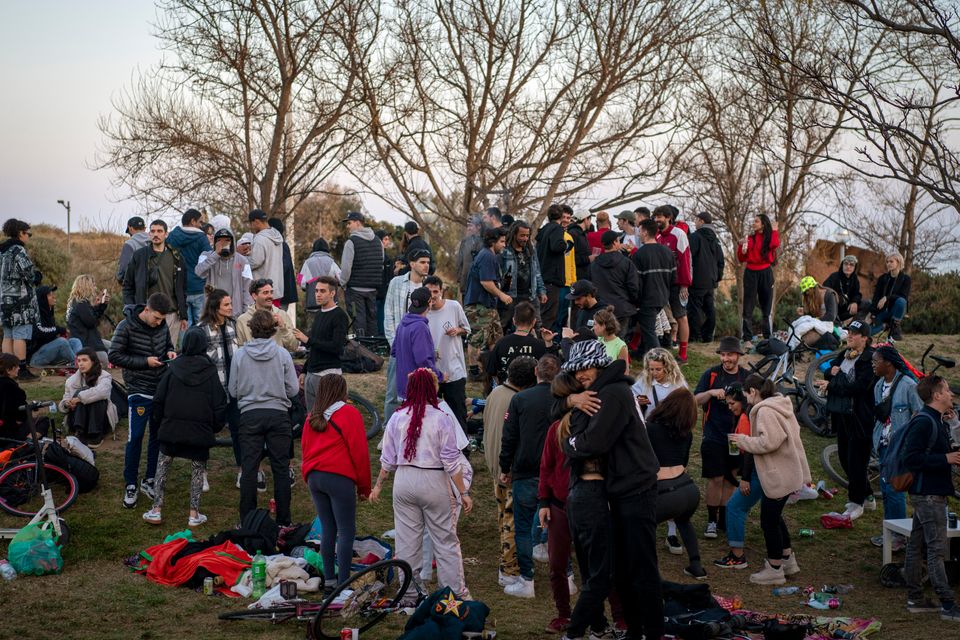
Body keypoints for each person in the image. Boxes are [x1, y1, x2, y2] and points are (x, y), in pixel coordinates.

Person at [560, 339, 663, 640]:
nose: (580, 375)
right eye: (576, 371)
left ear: (599, 364)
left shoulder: (614, 393)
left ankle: (652, 632)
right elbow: (556, 404)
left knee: (642, 567)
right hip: (619, 490)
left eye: (585, 368)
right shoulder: (603, 391)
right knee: (623, 570)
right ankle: (634, 629)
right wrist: (570, 402)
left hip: (636, 489)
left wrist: (568, 444)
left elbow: (594, 441)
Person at [371, 368, 473, 599]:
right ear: (432, 389)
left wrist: (378, 486)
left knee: (406, 541)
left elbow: (387, 459)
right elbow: (451, 461)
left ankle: (408, 593)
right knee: (445, 540)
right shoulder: (441, 418)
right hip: (433, 480)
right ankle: (453, 594)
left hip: (404, 481)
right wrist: (463, 491)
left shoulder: (397, 417)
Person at [538, 370, 625, 635]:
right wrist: (543, 502)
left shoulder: (593, 426)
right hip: (560, 504)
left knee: (600, 568)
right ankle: (566, 614)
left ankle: (616, 617)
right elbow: (546, 466)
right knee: (559, 564)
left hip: (592, 500)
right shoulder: (555, 429)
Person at [729, 375, 811, 585]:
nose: (746, 399)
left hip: (779, 474)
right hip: (788, 471)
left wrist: (744, 441)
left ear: (753, 392)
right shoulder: (779, 404)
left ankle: (774, 569)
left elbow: (769, 442)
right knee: (775, 518)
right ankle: (787, 560)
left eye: (746, 395)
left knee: (769, 522)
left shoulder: (765, 410)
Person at [142, 327, 227, 528]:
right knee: (198, 471)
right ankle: (193, 514)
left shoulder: (172, 369)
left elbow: (158, 400)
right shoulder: (210, 371)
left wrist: (161, 421)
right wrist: (213, 428)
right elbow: (220, 404)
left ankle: (156, 510)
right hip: (199, 433)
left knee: (162, 468)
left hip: (171, 429)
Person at [229, 309, 299, 526]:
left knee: (249, 468)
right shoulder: (282, 354)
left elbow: (233, 390)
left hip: (250, 414)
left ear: (251, 329)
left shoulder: (240, 355)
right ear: (273, 329)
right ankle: (283, 520)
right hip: (278, 414)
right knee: (280, 468)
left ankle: (248, 519)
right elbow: (294, 389)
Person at [301, 373, 372, 587]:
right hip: (338, 478)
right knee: (346, 530)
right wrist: (364, 487)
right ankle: (343, 584)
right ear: (343, 391)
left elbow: (304, 449)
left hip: (315, 477)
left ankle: (330, 580)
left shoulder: (312, 416)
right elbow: (359, 453)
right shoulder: (349, 413)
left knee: (328, 529)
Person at [499, 354, 560, 598]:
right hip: (556, 470)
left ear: (536, 372)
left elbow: (509, 436)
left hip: (526, 469)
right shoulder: (565, 400)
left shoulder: (521, 399)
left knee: (522, 527)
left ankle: (527, 580)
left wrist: (505, 467)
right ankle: (566, 576)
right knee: (559, 525)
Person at [109, 292, 177, 510]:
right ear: (146, 310)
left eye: (162, 319)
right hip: (138, 388)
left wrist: (170, 352)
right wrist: (144, 362)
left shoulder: (162, 325)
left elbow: (169, 345)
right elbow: (114, 356)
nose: (159, 322)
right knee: (136, 436)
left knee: (157, 436)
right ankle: (130, 483)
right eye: (156, 317)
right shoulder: (125, 326)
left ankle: (149, 479)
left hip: (160, 390)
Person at [901, 375, 960, 621]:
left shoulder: (936, 420)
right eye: (947, 390)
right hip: (929, 495)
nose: (951, 394)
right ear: (936, 395)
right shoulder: (924, 422)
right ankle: (948, 604)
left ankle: (915, 597)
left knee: (916, 545)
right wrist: (944, 459)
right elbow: (910, 458)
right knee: (936, 550)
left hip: (928, 493)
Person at [484, 356, 537, 589]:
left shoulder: (495, 393)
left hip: (497, 467)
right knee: (512, 523)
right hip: (511, 471)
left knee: (503, 519)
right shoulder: (519, 400)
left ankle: (508, 563)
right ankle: (509, 570)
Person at [818, 319, 876, 520]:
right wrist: (830, 373)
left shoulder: (869, 358)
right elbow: (830, 370)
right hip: (842, 414)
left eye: (855, 333)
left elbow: (860, 387)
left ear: (865, 338)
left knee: (857, 460)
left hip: (860, 416)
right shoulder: (845, 354)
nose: (849, 335)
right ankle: (867, 495)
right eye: (849, 332)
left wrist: (832, 384)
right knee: (844, 456)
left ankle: (856, 503)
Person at [647, 388, 707, 579]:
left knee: (643, 526)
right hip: (689, 490)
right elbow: (685, 461)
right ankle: (696, 565)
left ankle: (649, 570)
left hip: (665, 491)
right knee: (683, 521)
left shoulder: (651, 429)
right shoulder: (686, 434)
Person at [694, 336, 749, 539]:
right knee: (715, 478)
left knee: (730, 479)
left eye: (730, 355)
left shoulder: (746, 376)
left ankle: (724, 520)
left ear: (738, 356)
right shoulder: (711, 374)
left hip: (737, 437)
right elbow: (695, 400)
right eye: (723, 354)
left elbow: (755, 401)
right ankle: (711, 521)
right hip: (713, 435)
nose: (726, 358)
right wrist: (710, 392)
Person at [868, 345, 923, 550]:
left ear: (888, 363)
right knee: (885, 488)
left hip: (901, 447)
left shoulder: (908, 385)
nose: (873, 364)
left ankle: (898, 537)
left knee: (894, 490)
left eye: (876, 361)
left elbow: (919, 414)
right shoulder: (878, 385)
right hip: (883, 445)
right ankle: (890, 532)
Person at [197, 288, 240, 490]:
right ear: (215, 307)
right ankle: (202, 473)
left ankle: (242, 471)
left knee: (239, 431)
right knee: (205, 433)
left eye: (231, 304)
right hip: (212, 391)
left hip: (235, 389)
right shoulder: (201, 329)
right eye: (226, 304)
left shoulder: (234, 325)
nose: (231, 307)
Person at [122, 219, 188, 348]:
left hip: (171, 313)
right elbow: (127, 285)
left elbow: (183, 287)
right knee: (146, 352)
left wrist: (183, 314)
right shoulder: (140, 256)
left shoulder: (177, 256)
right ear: (149, 234)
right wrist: (132, 309)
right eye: (152, 231)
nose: (156, 234)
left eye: (159, 231)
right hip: (147, 313)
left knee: (169, 352)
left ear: (166, 234)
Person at [384, 249, 432, 421]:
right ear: (412, 264)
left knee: (419, 391)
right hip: (399, 347)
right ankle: (389, 431)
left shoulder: (429, 287)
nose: (426, 265)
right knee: (393, 393)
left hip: (420, 346)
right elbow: (388, 313)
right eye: (422, 262)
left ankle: (414, 427)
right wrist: (394, 342)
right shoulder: (397, 283)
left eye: (428, 262)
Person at [713, 384, 758, 569]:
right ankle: (785, 556)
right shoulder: (743, 416)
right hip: (759, 472)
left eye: (732, 403)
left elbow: (749, 450)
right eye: (728, 403)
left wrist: (745, 477)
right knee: (772, 517)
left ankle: (737, 556)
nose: (729, 407)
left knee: (734, 507)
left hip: (756, 473)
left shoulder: (746, 417)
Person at [424, 275, 471, 430]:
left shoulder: (454, 306)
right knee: (432, 414)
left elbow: (467, 329)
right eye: (428, 291)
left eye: (435, 291)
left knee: (458, 412)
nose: (432, 295)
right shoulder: (422, 313)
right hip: (432, 372)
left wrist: (457, 330)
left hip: (454, 370)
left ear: (441, 291)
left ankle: (463, 449)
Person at [299, 276, 350, 412]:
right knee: (312, 419)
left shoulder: (339, 316)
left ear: (332, 293)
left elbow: (336, 347)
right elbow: (315, 348)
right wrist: (304, 371)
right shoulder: (319, 314)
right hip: (312, 374)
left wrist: (308, 341)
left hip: (328, 375)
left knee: (329, 419)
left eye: (322, 291)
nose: (318, 294)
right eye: (316, 291)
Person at [464, 228, 510, 376]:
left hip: (489, 306)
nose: (504, 245)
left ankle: (494, 370)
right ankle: (474, 372)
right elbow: (486, 282)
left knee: (496, 340)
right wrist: (502, 296)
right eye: (502, 241)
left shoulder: (490, 256)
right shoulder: (487, 256)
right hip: (479, 306)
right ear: (492, 242)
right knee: (476, 340)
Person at [1, 218, 40, 379]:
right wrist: (38, 276)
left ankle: (6, 370)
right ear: (20, 233)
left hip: (3, 299)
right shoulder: (18, 250)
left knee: (8, 335)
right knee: (20, 335)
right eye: (28, 233)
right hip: (20, 300)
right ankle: (21, 369)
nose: (29, 237)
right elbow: (29, 274)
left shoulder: (2, 251)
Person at [653, 205, 692, 363]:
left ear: (668, 218)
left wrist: (685, 284)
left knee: (681, 316)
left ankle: (683, 353)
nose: (657, 220)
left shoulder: (679, 234)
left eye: (660, 217)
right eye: (655, 217)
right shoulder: (657, 236)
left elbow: (685, 259)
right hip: (661, 282)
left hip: (676, 283)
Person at [631, 218, 675, 357]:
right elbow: (673, 277)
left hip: (647, 298)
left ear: (644, 231)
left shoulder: (639, 254)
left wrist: (636, 301)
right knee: (647, 326)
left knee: (649, 330)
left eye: (639, 231)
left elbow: (637, 282)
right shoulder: (667, 252)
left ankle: (660, 360)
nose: (638, 234)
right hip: (663, 296)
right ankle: (641, 352)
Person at [59, 347, 117, 447]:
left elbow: (103, 392)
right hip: (77, 418)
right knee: (82, 392)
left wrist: (80, 398)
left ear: (93, 362)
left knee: (91, 395)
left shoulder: (105, 376)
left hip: (99, 417)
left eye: (85, 360)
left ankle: (95, 435)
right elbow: (65, 400)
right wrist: (67, 404)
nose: (81, 364)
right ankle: (80, 432)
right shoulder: (71, 381)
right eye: (79, 361)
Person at [486, 301, 554, 385]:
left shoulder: (501, 343)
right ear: (534, 322)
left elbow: (491, 372)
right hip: (530, 392)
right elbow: (552, 369)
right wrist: (548, 342)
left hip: (507, 390)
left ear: (514, 321)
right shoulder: (540, 345)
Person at [737, 214, 779, 347]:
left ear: (763, 224)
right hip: (750, 273)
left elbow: (775, 244)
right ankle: (747, 339)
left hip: (766, 273)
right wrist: (741, 246)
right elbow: (741, 258)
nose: (753, 223)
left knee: (766, 306)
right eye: (753, 221)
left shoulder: (769, 237)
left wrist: (774, 230)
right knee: (748, 306)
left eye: (756, 221)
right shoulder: (749, 238)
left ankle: (767, 337)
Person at [339, 212, 384, 338]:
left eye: (349, 223)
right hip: (373, 288)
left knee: (359, 320)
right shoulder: (378, 242)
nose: (348, 226)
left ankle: (362, 349)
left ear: (358, 222)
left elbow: (346, 268)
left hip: (355, 288)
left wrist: (342, 284)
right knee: (372, 320)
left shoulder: (351, 242)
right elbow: (380, 263)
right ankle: (373, 349)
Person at [392, 287, 439, 401]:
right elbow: (423, 360)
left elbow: (394, 351)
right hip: (418, 389)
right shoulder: (420, 327)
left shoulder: (403, 323)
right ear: (429, 302)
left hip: (403, 387)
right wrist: (439, 376)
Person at [588, 230, 639, 334]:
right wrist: (634, 302)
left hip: (601, 308)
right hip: (622, 307)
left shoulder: (594, 264)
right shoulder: (626, 262)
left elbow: (590, 286)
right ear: (616, 242)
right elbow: (633, 286)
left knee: (602, 341)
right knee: (619, 341)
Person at [166, 209, 211, 325]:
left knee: (184, 326)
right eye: (200, 222)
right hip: (198, 286)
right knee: (202, 325)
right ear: (193, 221)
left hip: (179, 288)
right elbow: (208, 261)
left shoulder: (172, 236)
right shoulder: (202, 238)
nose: (201, 225)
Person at [499, 220, 547, 330]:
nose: (525, 238)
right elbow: (502, 274)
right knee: (505, 325)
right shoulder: (505, 251)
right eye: (522, 235)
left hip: (530, 294)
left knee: (537, 325)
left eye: (527, 235)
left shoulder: (531, 249)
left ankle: (542, 346)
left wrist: (541, 291)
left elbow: (537, 272)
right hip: (511, 295)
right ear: (514, 234)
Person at [195, 228, 253, 319]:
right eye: (219, 240)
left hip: (235, 311)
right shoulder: (206, 255)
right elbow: (199, 272)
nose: (223, 243)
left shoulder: (242, 260)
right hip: (213, 311)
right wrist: (215, 254)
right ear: (214, 242)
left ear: (232, 242)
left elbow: (248, 287)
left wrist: (246, 312)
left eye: (227, 240)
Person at [688, 212, 724, 343]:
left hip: (697, 279)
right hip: (711, 281)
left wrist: (688, 276)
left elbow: (689, 257)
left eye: (696, 220)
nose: (695, 223)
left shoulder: (695, 237)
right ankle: (708, 336)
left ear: (702, 221)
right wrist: (717, 277)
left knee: (694, 309)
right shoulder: (716, 240)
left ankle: (695, 336)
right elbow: (721, 261)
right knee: (709, 309)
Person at [235, 279, 298, 351]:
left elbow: (294, 347)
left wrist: (283, 328)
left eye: (271, 292)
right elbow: (241, 349)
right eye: (265, 293)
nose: (270, 296)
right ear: (254, 296)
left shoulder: (282, 315)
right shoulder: (242, 320)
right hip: (253, 361)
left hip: (277, 361)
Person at [0, 352, 51, 440]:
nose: (19, 368)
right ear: (8, 370)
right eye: (16, 366)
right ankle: (28, 443)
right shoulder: (11, 386)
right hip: (8, 432)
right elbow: (21, 414)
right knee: (43, 421)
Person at [28, 285, 82, 367]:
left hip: (49, 354)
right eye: (49, 295)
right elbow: (39, 332)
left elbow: (50, 333)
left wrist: (57, 333)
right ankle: (78, 365)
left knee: (75, 341)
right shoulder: (36, 315)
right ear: (42, 298)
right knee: (61, 342)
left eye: (52, 293)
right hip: (36, 358)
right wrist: (59, 330)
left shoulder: (49, 314)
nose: (53, 296)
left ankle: (75, 362)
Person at [66, 274, 111, 366]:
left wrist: (99, 306)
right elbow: (92, 322)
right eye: (93, 285)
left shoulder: (76, 302)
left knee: (114, 347)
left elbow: (90, 318)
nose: (95, 287)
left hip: (86, 339)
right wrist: (99, 307)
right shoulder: (81, 304)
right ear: (87, 286)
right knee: (104, 359)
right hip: (86, 342)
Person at [631, 347, 688, 419]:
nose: (654, 373)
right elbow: (632, 398)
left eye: (658, 369)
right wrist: (638, 401)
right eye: (651, 369)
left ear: (667, 367)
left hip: (670, 425)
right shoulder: (643, 381)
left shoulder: (678, 384)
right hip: (649, 425)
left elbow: (685, 406)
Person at [536, 205, 568, 331]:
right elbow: (556, 246)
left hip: (542, 277)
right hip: (551, 279)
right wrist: (565, 244)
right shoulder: (557, 229)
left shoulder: (543, 231)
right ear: (561, 216)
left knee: (542, 314)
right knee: (548, 316)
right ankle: (543, 345)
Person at [867, 252, 911, 341]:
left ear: (898, 263)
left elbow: (903, 296)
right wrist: (872, 314)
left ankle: (894, 327)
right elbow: (876, 297)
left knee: (901, 301)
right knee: (868, 332)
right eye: (887, 262)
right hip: (883, 311)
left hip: (896, 311)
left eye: (891, 261)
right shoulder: (883, 278)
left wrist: (887, 298)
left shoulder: (906, 279)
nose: (888, 264)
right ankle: (885, 326)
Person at [246, 209, 285, 300]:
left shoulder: (260, 239)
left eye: (251, 224)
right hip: (275, 289)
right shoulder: (277, 237)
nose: (251, 227)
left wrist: (243, 259)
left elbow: (255, 261)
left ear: (256, 221)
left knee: (263, 314)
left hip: (262, 290)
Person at [298, 238, 341, 319]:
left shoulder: (307, 262)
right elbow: (341, 279)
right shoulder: (332, 262)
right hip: (329, 304)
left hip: (313, 303)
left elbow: (301, 282)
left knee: (314, 328)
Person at [267, 218, 299, 310]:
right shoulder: (282, 244)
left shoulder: (280, 245)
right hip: (283, 291)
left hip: (282, 292)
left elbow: (284, 266)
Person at [823, 254, 862, 324]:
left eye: (851, 265)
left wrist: (854, 302)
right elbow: (824, 290)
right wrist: (836, 295)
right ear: (842, 265)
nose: (848, 266)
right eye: (846, 264)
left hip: (846, 310)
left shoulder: (855, 279)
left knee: (866, 304)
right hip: (833, 310)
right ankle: (836, 323)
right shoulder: (834, 277)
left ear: (854, 268)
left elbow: (857, 293)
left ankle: (853, 326)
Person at [456, 216, 484, 297]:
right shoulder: (465, 241)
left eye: (471, 226)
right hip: (466, 284)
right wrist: (459, 279)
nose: (468, 228)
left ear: (478, 226)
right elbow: (459, 261)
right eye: (467, 226)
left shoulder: (485, 242)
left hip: (480, 285)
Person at [375, 229, 396, 335]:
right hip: (378, 295)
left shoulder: (387, 257)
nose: (387, 242)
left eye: (388, 239)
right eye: (385, 239)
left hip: (385, 295)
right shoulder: (376, 257)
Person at [117, 216, 149, 284]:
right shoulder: (155, 242)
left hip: (136, 286)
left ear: (130, 228)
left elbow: (123, 269)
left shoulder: (129, 244)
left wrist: (120, 279)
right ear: (145, 228)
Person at [567, 211, 592, 281]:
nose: (590, 222)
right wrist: (588, 259)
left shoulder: (582, 234)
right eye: (590, 219)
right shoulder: (573, 234)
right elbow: (570, 257)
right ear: (585, 219)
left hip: (584, 276)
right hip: (577, 279)